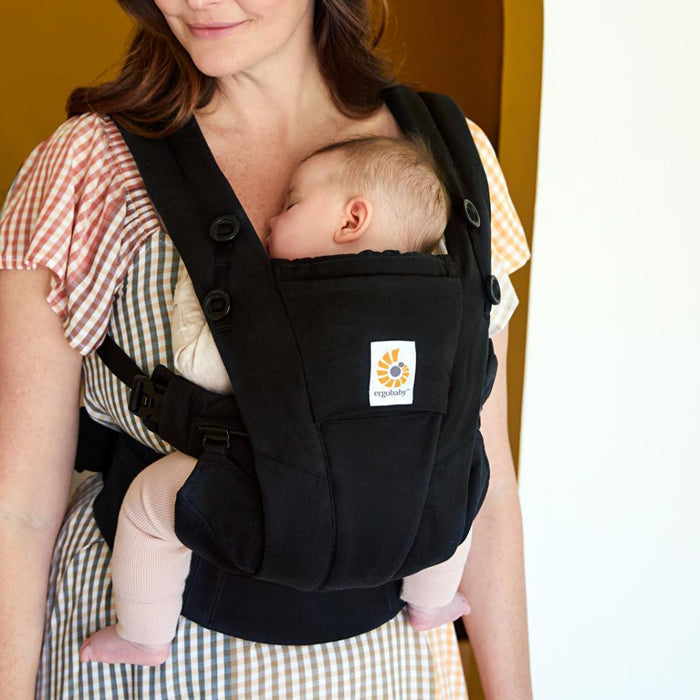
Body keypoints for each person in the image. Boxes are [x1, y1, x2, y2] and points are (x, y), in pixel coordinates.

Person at [0, 1, 532, 697]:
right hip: (152, 663)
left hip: (388, 665)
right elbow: (19, 508)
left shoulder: (447, 158)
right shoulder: (91, 164)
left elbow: (483, 479)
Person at [78, 135, 475, 666]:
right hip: (408, 515)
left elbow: (200, 367)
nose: (271, 219)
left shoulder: (291, 302)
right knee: (463, 471)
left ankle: (144, 635)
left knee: (152, 501)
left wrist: (205, 280)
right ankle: (433, 600)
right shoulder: (448, 309)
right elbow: (467, 395)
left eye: (292, 203)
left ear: (352, 220)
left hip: (285, 516)